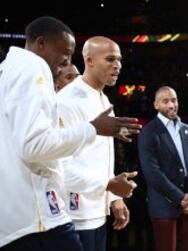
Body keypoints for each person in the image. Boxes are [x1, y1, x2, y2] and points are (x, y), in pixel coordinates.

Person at [0, 16, 140, 251]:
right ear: (41, 44)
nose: (66, 62)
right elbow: (39, 148)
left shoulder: (8, 70)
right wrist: (94, 129)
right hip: (48, 215)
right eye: (65, 53)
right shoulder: (38, 73)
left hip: (79, 211)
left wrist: (112, 197)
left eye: (119, 59)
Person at [57, 36, 139, 251]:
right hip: (72, 214)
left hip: (97, 211)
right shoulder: (67, 100)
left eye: (119, 59)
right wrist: (109, 185)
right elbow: (61, 168)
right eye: (110, 59)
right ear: (89, 60)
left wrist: (112, 198)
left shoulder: (103, 99)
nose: (118, 65)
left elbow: (99, 157)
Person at [138, 86, 188, 251]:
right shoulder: (148, 132)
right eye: (165, 101)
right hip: (164, 206)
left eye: (174, 100)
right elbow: (152, 173)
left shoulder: (187, 130)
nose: (171, 105)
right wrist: (181, 197)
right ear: (156, 105)